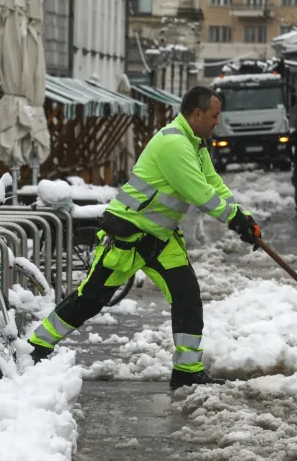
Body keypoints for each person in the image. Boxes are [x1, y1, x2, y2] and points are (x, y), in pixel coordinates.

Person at [26, 86, 262, 390]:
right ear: (197, 113)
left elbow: (213, 183)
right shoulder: (174, 145)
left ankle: (187, 370)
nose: (218, 122)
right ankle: (37, 345)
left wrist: (242, 216)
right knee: (90, 300)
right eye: (215, 116)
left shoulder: (195, 144)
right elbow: (199, 193)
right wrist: (234, 219)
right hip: (128, 235)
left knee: (187, 296)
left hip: (161, 238)